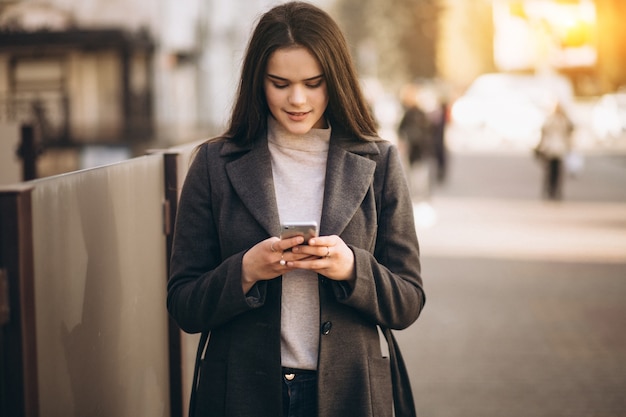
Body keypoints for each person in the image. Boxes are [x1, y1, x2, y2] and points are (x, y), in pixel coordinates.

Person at [167, 3, 425, 417]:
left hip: (351, 393)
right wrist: (246, 270)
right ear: (258, 82)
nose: (298, 99)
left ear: (335, 80)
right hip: (240, 394)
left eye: (313, 83)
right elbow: (183, 303)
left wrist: (351, 268)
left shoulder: (379, 162)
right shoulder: (214, 164)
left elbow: (408, 301)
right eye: (280, 83)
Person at [397, 83, 434, 201]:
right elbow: (401, 129)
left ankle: (421, 194)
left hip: (421, 147)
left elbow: (428, 129)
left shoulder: (421, 113)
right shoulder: (408, 113)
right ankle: (413, 193)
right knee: (411, 171)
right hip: (411, 147)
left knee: (421, 171)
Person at [535, 101, 574, 200]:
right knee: (554, 172)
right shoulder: (559, 120)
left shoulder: (556, 120)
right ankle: (553, 191)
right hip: (555, 149)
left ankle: (552, 191)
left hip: (553, 148)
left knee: (552, 172)